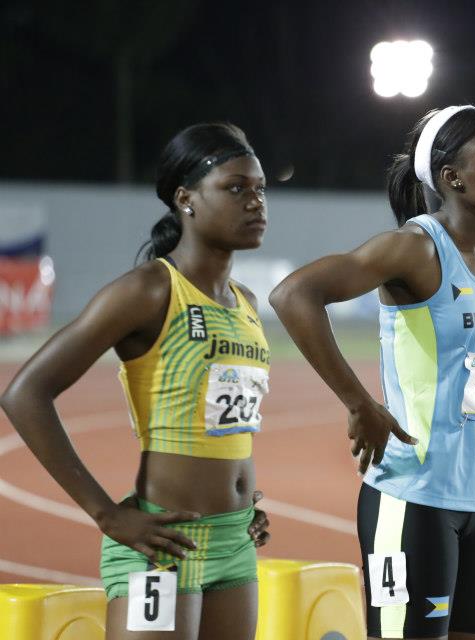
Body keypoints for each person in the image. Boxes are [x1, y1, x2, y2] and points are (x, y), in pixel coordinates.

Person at [1, 122, 272, 639]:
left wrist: (243, 502)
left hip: (236, 541)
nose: (255, 201)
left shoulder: (246, 304)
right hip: (162, 542)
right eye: (236, 188)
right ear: (186, 199)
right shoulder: (149, 291)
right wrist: (106, 514)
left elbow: (223, 423)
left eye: (260, 188)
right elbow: (25, 393)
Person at [269, 105, 475, 639]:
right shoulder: (415, 249)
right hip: (412, 497)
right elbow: (294, 295)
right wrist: (358, 402)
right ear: (453, 178)